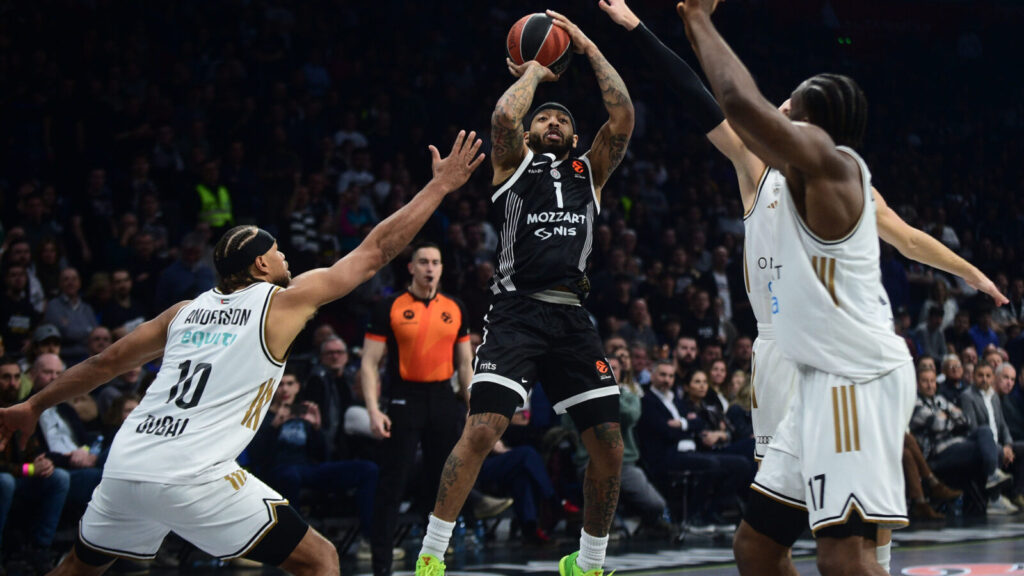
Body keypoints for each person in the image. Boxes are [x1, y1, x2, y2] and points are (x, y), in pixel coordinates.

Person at [598, 0, 1007, 571]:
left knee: (846, 549)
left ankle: (878, 556)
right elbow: (699, 95)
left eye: (791, 104)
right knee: (759, 545)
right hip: (782, 351)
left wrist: (970, 273)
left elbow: (911, 240)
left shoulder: (840, 175)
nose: (780, 106)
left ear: (814, 129)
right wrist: (638, 28)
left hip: (846, 364)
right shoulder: (758, 169)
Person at [0, 130, 484, 576]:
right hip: (192, 474)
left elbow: (103, 364)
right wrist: (439, 187)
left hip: (128, 463)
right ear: (259, 264)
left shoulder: (183, 311)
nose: (284, 255)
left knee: (76, 568)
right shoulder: (280, 303)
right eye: (276, 251)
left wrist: (33, 404)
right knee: (320, 560)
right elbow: (374, 252)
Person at [415, 12, 633, 576]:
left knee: (609, 444)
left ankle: (588, 564)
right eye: (545, 119)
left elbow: (623, 116)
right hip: (516, 313)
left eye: (562, 119)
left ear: (576, 138)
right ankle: (431, 557)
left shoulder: (590, 171)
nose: (553, 122)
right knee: (483, 429)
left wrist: (587, 48)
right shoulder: (512, 164)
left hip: (573, 319)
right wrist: (536, 69)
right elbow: (503, 116)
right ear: (532, 133)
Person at [360, 243, 472, 576]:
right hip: (404, 398)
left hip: (442, 398)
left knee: (443, 482)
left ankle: (432, 560)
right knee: (392, 482)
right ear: (411, 267)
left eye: (435, 262)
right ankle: (381, 564)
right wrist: (373, 410)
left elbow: (465, 365)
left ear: (442, 268)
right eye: (423, 262)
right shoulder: (390, 306)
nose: (430, 268)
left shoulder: (455, 307)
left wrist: (474, 408)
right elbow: (368, 363)